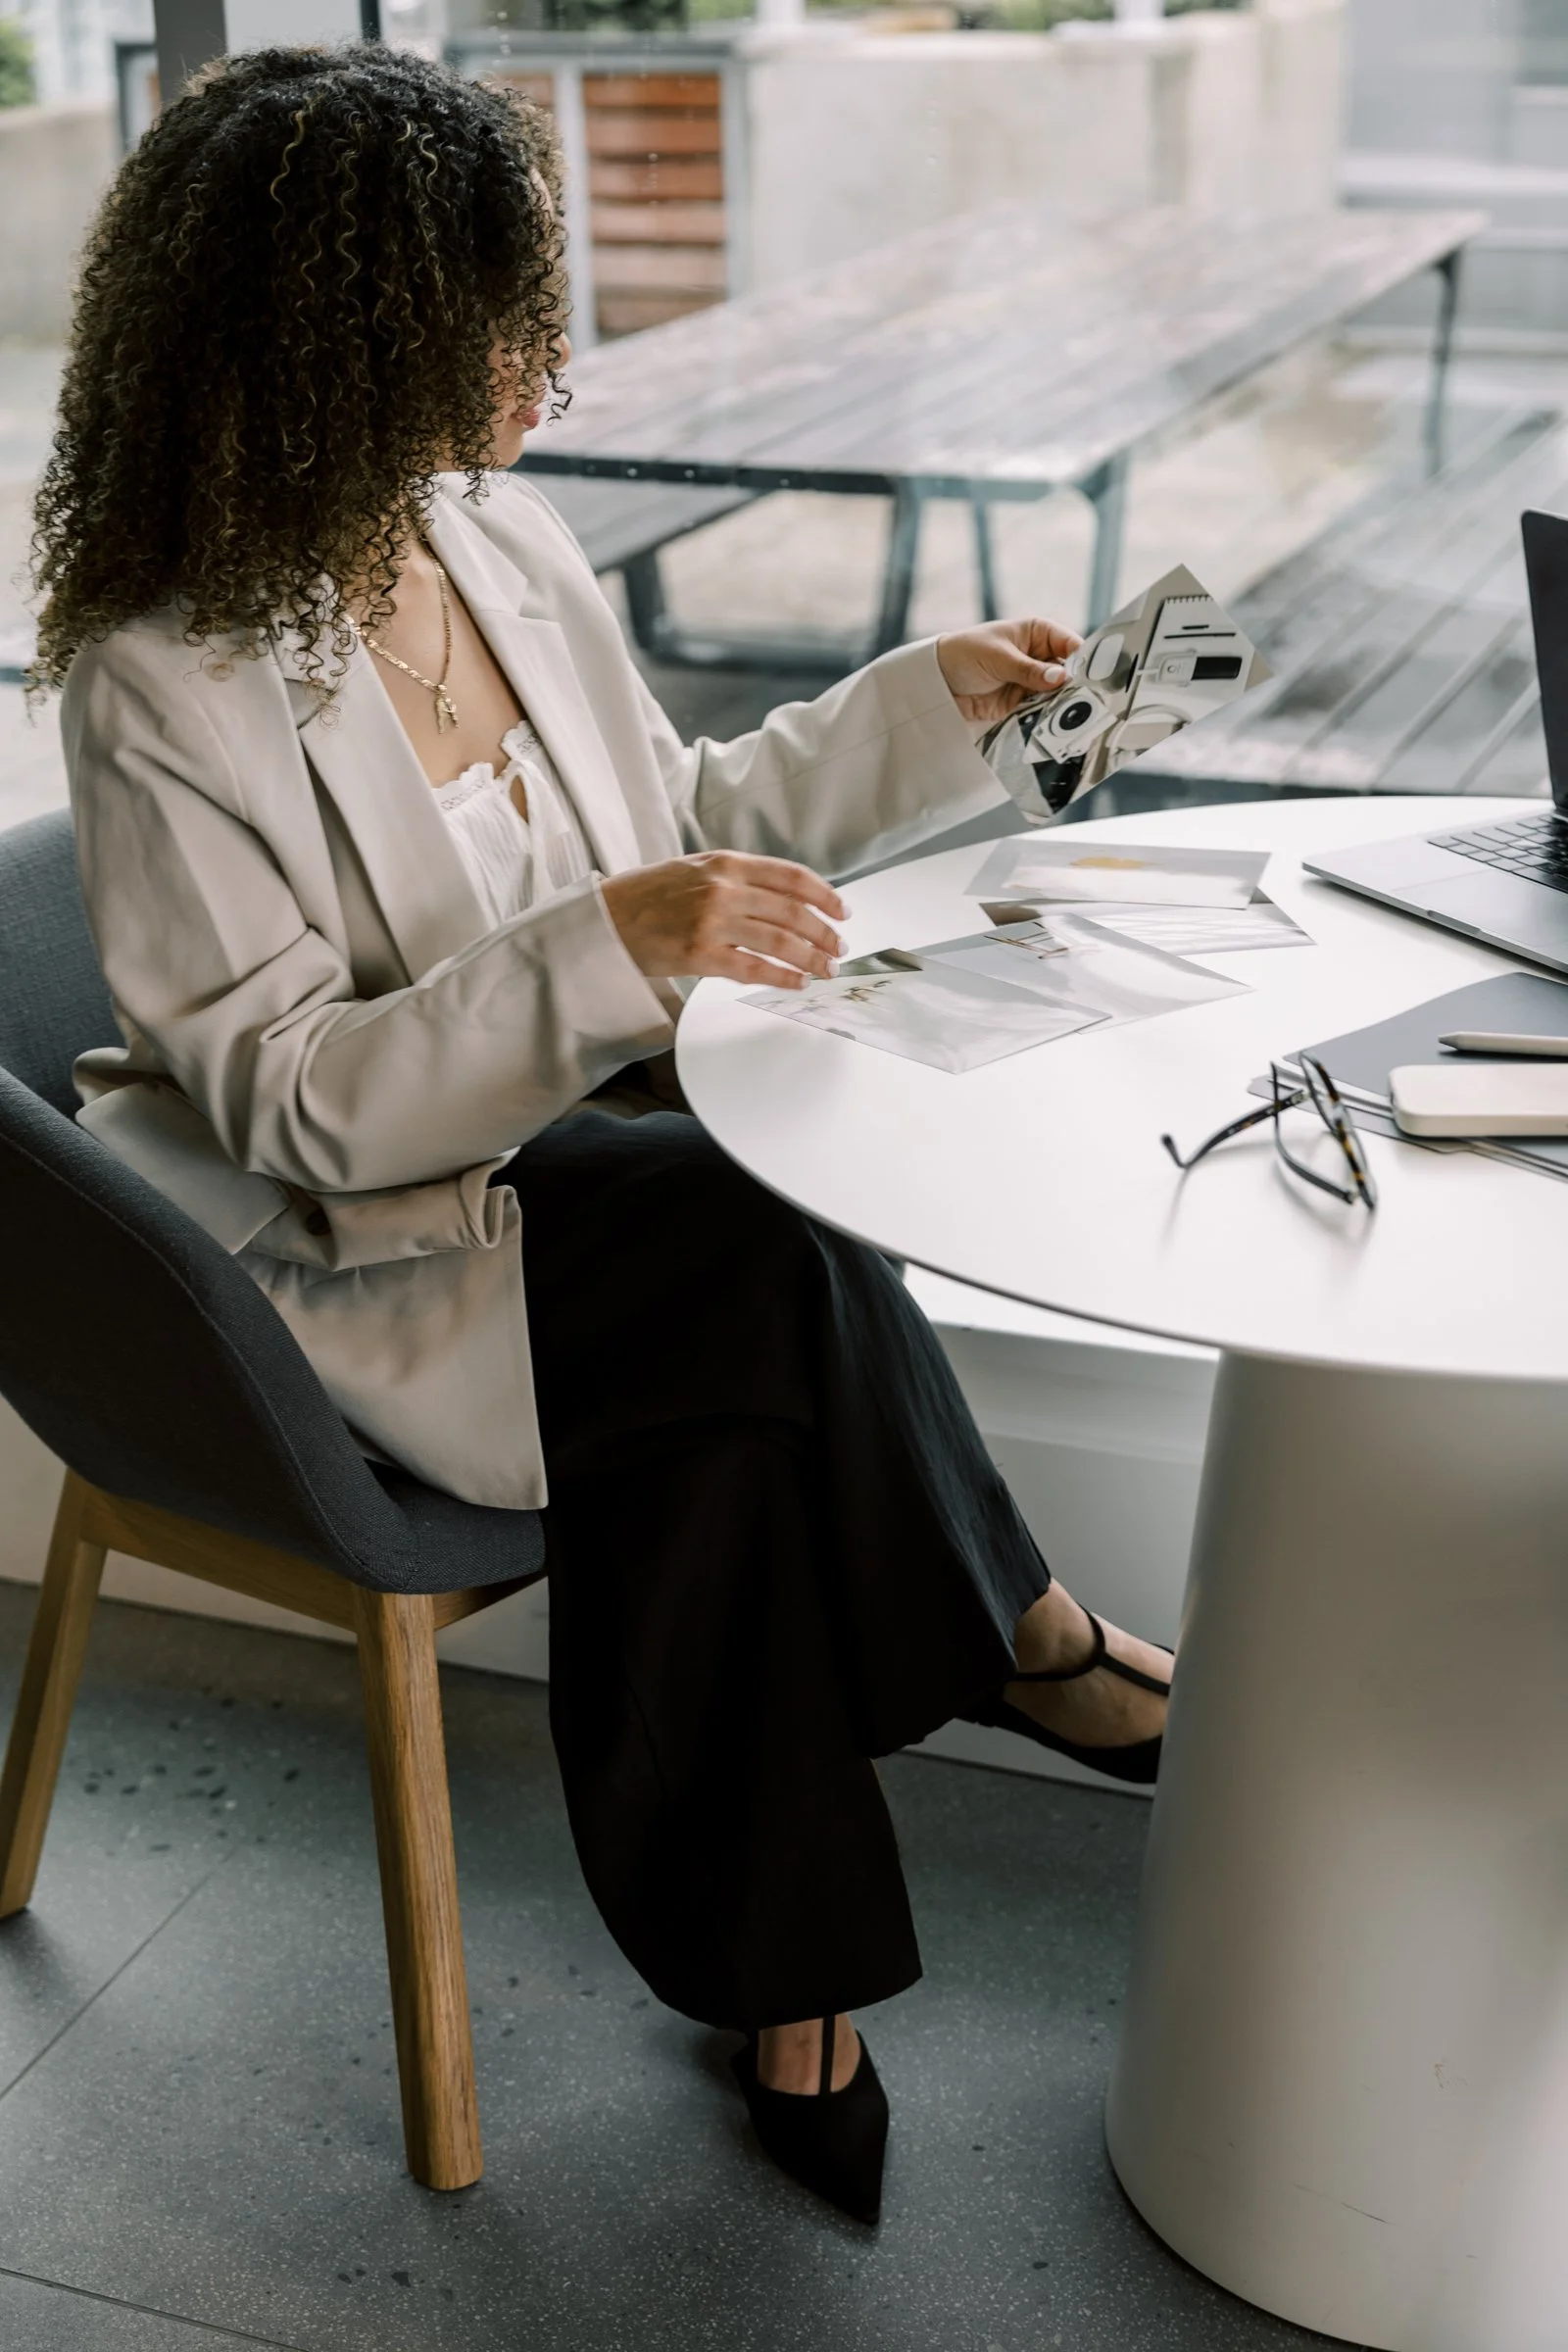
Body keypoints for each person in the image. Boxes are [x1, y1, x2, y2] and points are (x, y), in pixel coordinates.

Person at [31, 44, 1171, 2225]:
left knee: (717, 1368)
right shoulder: (161, 676)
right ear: (335, 344)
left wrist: (921, 708)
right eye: (496, 317)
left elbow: (684, 834)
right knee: (749, 1240)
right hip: (339, 1242)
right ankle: (1020, 1634)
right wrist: (612, 958)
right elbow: (293, 1095)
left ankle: (796, 1984)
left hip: (606, 1190)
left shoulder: (495, 542)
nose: (545, 362)